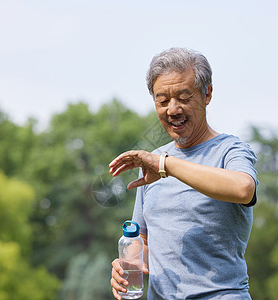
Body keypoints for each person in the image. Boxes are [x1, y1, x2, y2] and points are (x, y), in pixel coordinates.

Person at [109, 47, 258, 299]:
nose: (173, 109)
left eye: (183, 97)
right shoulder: (154, 160)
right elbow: (144, 242)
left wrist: (166, 165)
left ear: (207, 94)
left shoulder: (230, 150)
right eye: (163, 100)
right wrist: (127, 263)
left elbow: (244, 189)